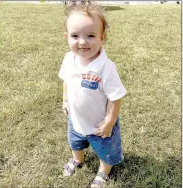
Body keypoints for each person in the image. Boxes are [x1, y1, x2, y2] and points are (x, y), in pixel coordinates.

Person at [59, 1, 126, 187]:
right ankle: (78, 160)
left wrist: (109, 122)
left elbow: (115, 97)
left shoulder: (106, 67)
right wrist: (65, 100)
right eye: (75, 36)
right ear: (66, 36)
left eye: (90, 35)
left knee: (106, 151)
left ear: (102, 37)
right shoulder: (69, 59)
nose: (82, 42)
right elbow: (66, 79)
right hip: (76, 119)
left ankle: (103, 172)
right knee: (75, 143)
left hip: (99, 126)